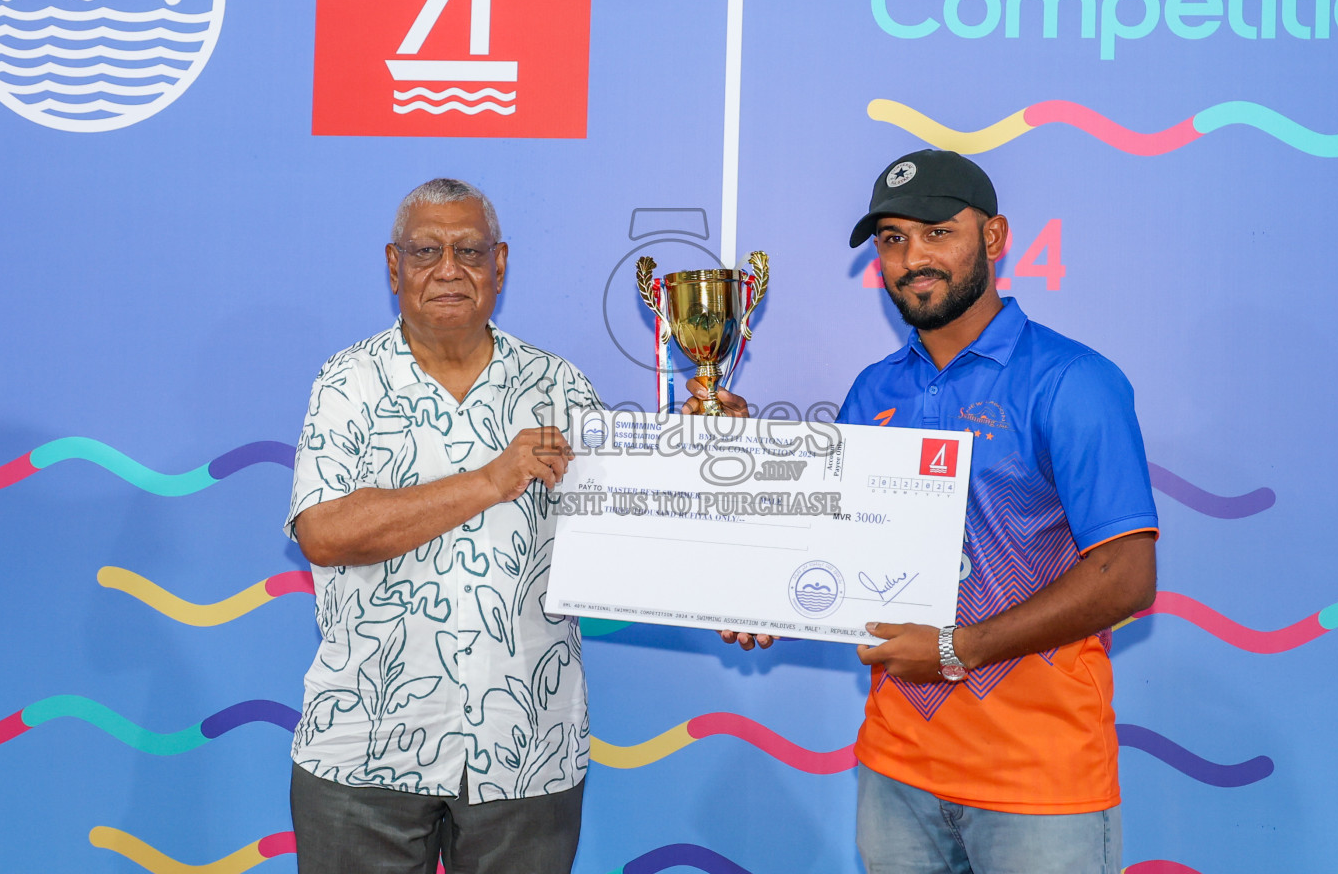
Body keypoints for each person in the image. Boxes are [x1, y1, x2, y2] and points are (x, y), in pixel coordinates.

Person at [692, 149, 1158, 874]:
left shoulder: (1074, 382)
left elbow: (1126, 576)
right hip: (897, 772)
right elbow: (834, 549)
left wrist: (957, 648)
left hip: (1040, 783)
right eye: (892, 239)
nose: (912, 257)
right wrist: (765, 597)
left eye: (938, 232)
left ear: (995, 238)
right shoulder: (873, 389)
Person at [284, 178, 599, 874]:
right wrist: (492, 479)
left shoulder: (560, 387)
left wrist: (707, 450)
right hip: (363, 750)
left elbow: (620, 536)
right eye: (426, 251)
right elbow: (324, 533)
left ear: (501, 264)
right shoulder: (347, 383)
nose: (449, 269)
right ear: (394, 266)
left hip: (526, 752)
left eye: (469, 250)